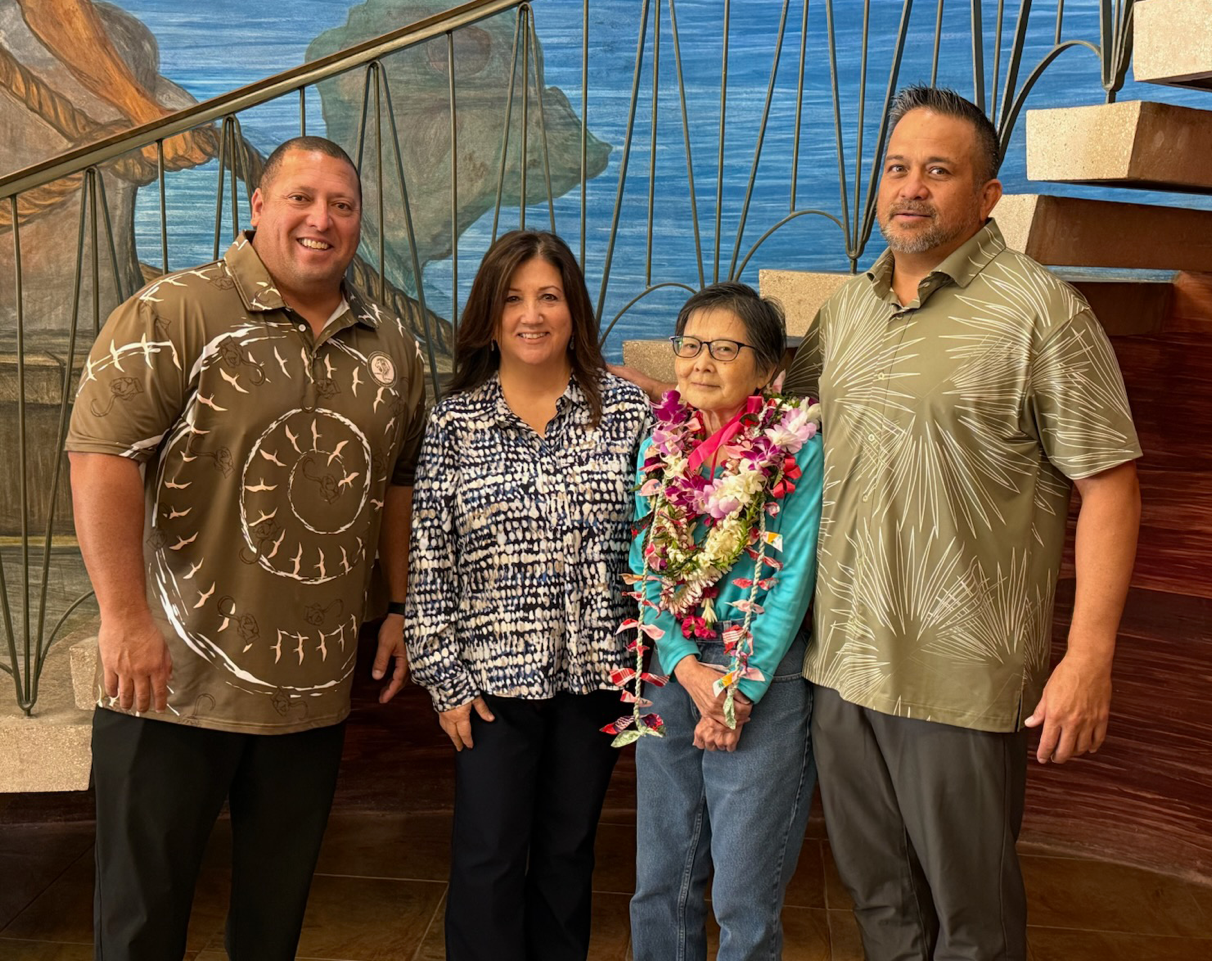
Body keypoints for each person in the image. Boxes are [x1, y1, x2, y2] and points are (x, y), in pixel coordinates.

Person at [781, 86, 1142, 960]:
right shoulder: (847, 311)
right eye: (898, 167)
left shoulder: (1041, 312)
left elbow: (1111, 486)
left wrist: (1088, 658)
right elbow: (780, 437)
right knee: (881, 906)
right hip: (841, 666)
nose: (911, 187)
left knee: (973, 924)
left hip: (960, 680)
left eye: (938, 171)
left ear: (987, 197)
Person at [66, 136, 426, 961]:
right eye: (301, 197)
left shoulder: (392, 347)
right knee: (140, 923)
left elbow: (398, 481)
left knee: (273, 923)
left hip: (310, 690)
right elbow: (102, 458)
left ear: (359, 222)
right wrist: (124, 617)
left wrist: (398, 603)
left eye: (342, 204)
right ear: (259, 206)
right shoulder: (173, 312)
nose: (321, 219)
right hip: (166, 682)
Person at [402, 230, 651, 961]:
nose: (532, 314)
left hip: (597, 678)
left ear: (574, 311)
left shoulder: (626, 413)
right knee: (489, 858)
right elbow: (430, 562)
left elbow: (659, 533)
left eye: (549, 296)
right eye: (513, 298)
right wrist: (445, 681)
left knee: (568, 856)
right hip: (489, 688)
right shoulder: (454, 422)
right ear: (490, 314)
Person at [621, 282, 824, 961]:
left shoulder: (796, 449)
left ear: (767, 370)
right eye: (690, 345)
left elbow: (789, 577)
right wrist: (683, 665)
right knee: (661, 880)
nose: (701, 362)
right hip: (672, 669)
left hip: (759, 674)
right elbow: (643, 561)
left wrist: (735, 690)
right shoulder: (660, 444)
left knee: (743, 895)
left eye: (725, 349)